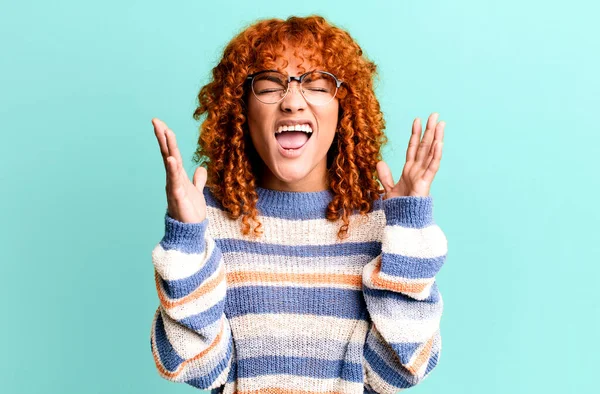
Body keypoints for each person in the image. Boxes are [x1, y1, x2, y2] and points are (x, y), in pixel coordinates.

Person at [149, 15, 447, 394]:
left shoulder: (379, 221)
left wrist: (409, 229)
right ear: (241, 108)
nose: (292, 102)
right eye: (270, 85)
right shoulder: (209, 218)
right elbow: (195, 366)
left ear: (343, 106)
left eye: (317, 84)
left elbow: (400, 370)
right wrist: (186, 241)